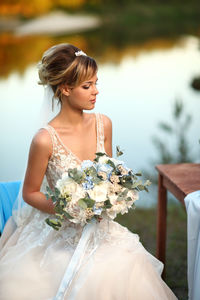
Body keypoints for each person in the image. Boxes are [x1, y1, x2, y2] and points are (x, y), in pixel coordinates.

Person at [0, 43, 178, 300]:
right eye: (87, 86)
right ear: (65, 88)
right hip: (60, 229)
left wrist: (113, 194)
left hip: (100, 227)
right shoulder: (44, 140)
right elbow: (30, 193)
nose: (96, 91)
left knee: (122, 266)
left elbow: (109, 176)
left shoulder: (103, 124)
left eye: (96, 83)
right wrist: (68, 207)